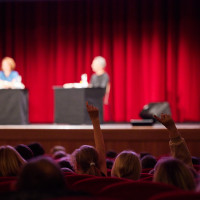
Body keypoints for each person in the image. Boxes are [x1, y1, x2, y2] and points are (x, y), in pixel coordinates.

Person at [71, 102, 107, 176]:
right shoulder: (103, 178)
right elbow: (101, 150)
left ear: (76, 166)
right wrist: (95, 120)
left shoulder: (72, 183)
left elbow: (101, 152)